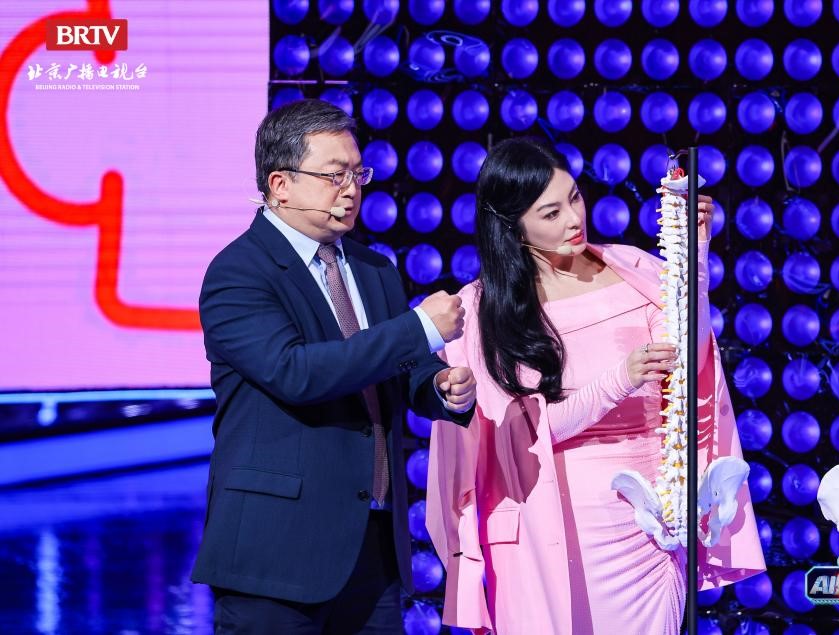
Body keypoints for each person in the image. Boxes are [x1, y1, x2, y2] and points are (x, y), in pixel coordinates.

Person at [426, 137, 765, 634]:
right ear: (513, 226)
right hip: (554, 525)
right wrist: (618, 381)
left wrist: (693, 262)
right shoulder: (484, 311)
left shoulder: (631, 268)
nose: (573, 219)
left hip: (647, 519)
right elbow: (519, 437)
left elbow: (689, 366)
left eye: (574, 198)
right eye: (551, 213)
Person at [191, 98, 476, 634]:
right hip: (277, 549)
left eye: (357, 174)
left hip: (370, 543)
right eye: (333, 175)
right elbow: (296, 373)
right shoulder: (239, 272)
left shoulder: (373, 268)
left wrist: (437, 385)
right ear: (280, 185)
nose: (350, 190)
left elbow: (402, 367)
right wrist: (418, 327)